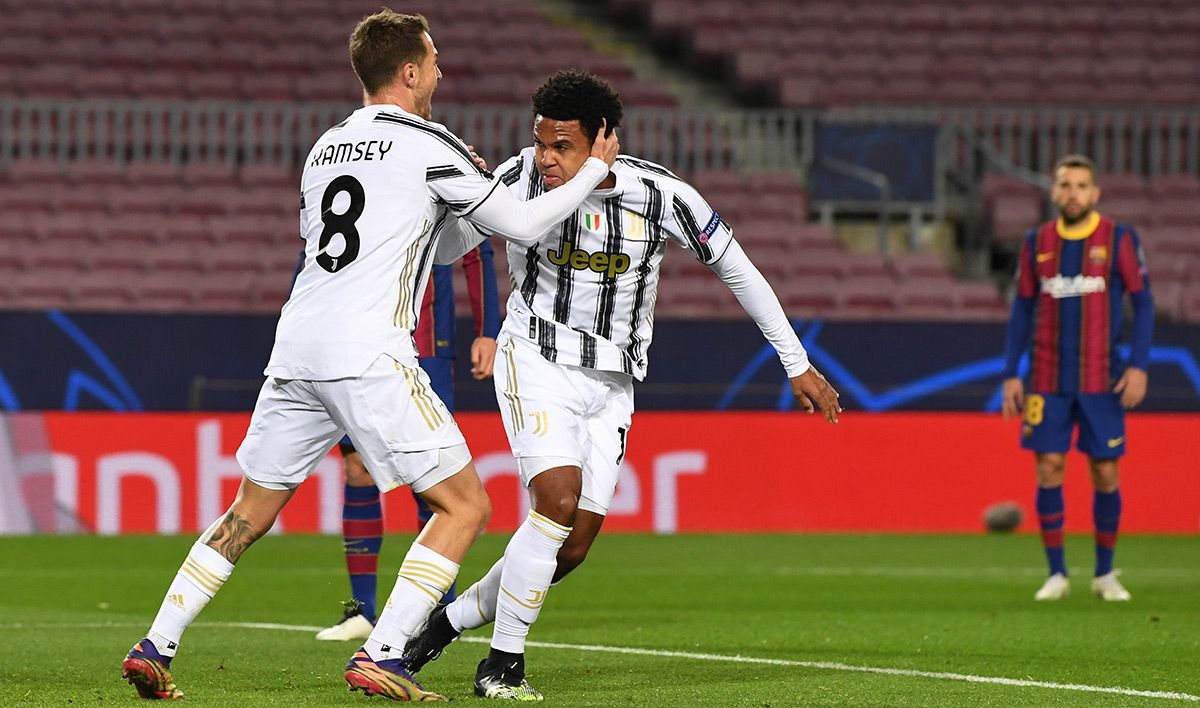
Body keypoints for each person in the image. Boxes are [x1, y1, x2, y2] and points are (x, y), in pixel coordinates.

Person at [120, 11, 619, 701]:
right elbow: (528, 223)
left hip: (296, 346)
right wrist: (590, 171)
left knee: (249, 510)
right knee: (465, 506)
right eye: (435, 59)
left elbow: (419, 243)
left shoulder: (325, 149)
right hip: (367, 351)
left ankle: (156, 644)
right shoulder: (427, 143)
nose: (441, 71)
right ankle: (385, 652)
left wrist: (462, 209)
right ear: (409, 71)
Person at [403, 70, 842, 701]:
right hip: (535, 359)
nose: (546, 159)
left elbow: (739, 270)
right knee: (554, 500)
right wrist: (458, 198)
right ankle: (502, 665)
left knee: (571, 548)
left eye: (563, 147)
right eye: (541, 143)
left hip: (611, 383)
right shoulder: (517, 177)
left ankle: (444, 623)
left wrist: (795, 361)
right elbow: (447, 251)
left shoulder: (662, 196)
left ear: (603, 141)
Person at [316, 243, 501, 642]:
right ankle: (362, 611)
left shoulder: (439, 179)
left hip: (426, 345)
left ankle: (438, 613)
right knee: (357, 468)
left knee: (433, 478)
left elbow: (474, 250)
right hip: (357, 344)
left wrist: (488, 330)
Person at [1000, 154, 1153, 603]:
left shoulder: (1119, 238)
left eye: (1082, 186)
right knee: (1049, 467)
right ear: (1053, 191)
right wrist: (1011, 372)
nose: (1074, 194)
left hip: (1102, 378)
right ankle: (1057, 574)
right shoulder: (1036, 243)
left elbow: (1143, 302)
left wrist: (1139, 365)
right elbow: (1022, 308)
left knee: (1105, 471)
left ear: (1095, 193)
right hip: (1046, 378)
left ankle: (1105, 573)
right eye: (1066, 185)